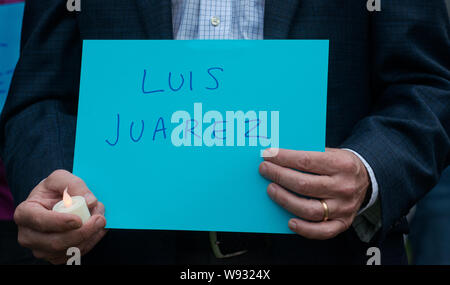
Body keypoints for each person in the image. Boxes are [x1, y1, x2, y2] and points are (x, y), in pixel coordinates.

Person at [0, 1, 449, 265]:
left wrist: (368, 170)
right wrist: (54, 191)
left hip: (326, 256)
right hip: (119, 252)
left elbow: (427, 85)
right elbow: (42, 94)